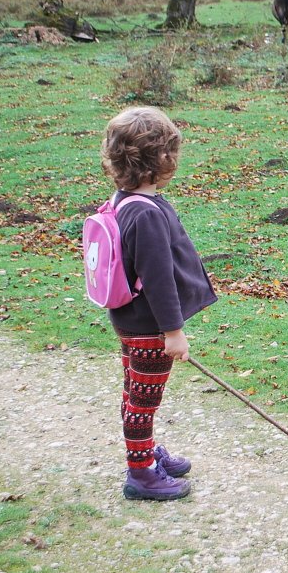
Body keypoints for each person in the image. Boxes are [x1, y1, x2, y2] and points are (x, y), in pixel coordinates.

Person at [100, 106, 217, 500]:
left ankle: (144, 454)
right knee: (143, 400)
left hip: (132, 320)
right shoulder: (144, 214)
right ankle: (141, 473)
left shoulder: (125, 199)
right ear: (163, 159)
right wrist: (173, 332)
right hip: (150, 327)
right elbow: (158, 281)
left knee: (135, 393)